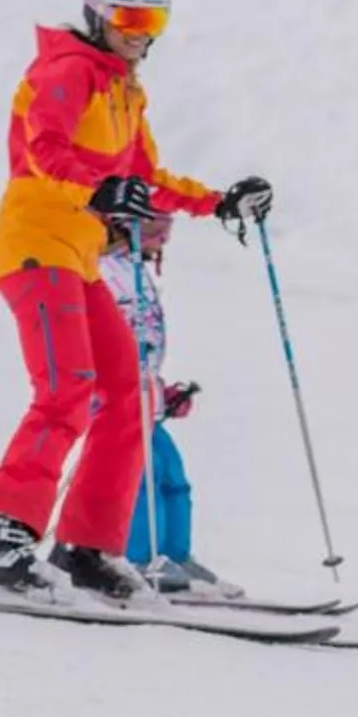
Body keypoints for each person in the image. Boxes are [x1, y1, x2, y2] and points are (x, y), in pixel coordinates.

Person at [0, 0, 271, 599]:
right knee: (66, 390)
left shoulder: (125, 91)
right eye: (130, 18)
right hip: (34, 248)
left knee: (126, 390)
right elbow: (44, 150)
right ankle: (1, 540)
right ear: (98, 13)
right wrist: (101, 188)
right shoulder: (66, 71)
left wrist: (219, 202)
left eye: (153, 20)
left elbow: (144, 180)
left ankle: (87, 549)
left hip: (77, 258)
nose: (141, 33)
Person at [96, 213, 240, 598]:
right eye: (158, 231)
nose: (165, 241)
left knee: (173, 477)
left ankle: (175, 555)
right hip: (118, 402)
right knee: (141, 479)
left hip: (146, 401)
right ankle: (139, 557)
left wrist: (164, 393)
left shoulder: (136, 271)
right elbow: (106, 343)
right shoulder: (103, 271)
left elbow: (144, 348)